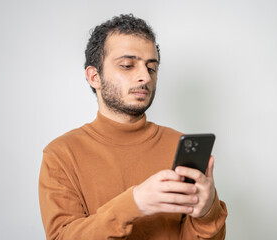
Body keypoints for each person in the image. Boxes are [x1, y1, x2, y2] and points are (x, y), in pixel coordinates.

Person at [39, 14, 227, 240]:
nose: (144, 77)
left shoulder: (178, 145)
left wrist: (207, 213)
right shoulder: (61, 154)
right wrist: (134, 203)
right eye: (128, 65)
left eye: (151, 68)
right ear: (94, 77)